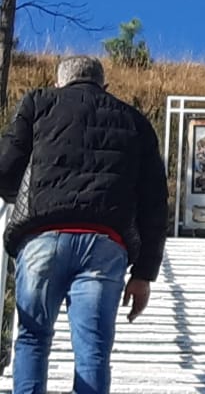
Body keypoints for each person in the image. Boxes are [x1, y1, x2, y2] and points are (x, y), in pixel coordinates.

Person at [0, 56, 169, 394]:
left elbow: (6, 170)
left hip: (42, 239)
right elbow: (155, 204)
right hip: (105, 245)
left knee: (33, 336)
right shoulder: (134, 120)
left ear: (60, 82)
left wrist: (17, 190)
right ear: (104, 86)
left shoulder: (39, 102)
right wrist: (143, 275)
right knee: (92, 350)